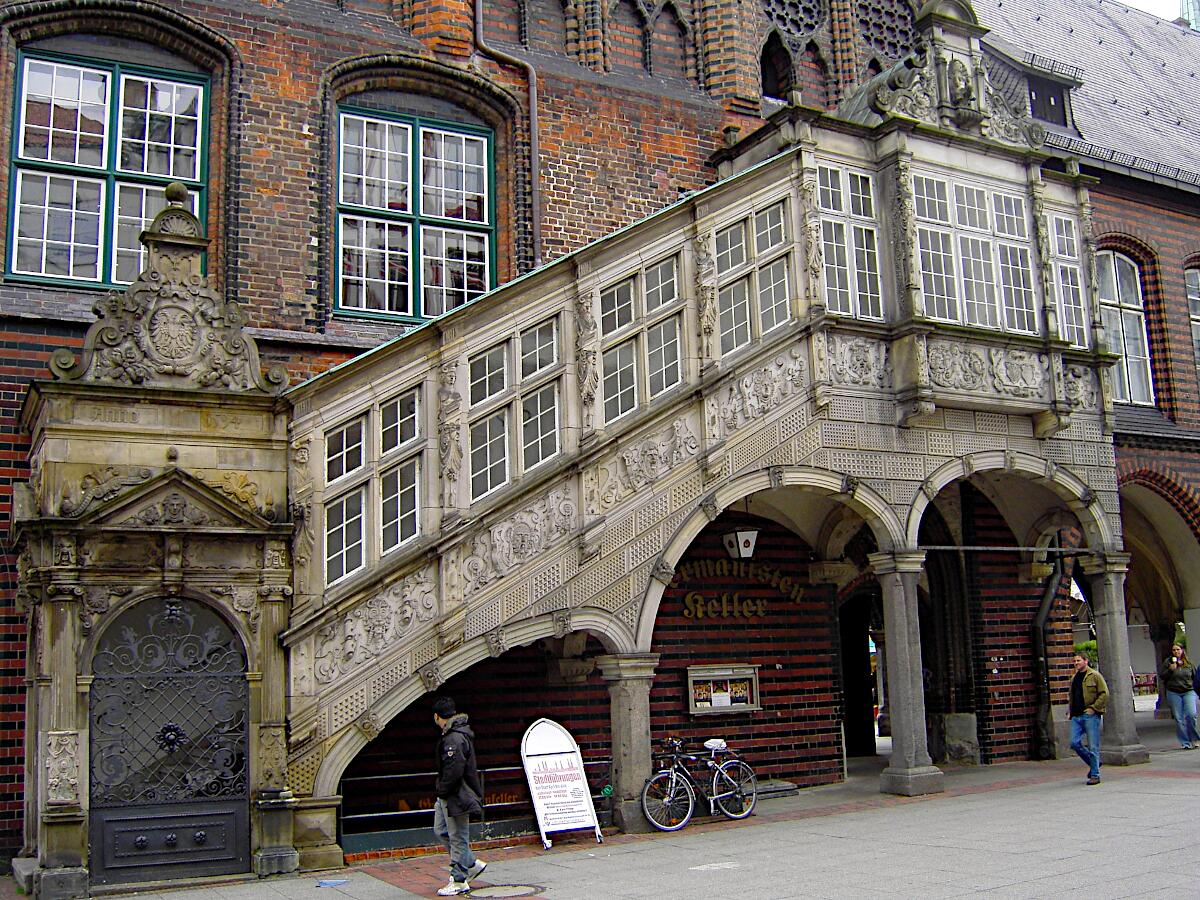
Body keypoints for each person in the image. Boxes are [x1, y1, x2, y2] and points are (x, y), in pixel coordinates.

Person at [432, 696, 486, 896]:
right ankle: (470, 862)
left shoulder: (454, 738)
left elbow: (454, 769)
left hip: (457, 795)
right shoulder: (454, 735)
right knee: (441, 830)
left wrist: (443, 790)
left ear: (437, 717)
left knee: (457, 837)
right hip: (450, 794)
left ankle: (458, 879)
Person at [1068, 652, 1108, 785]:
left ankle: (1095, 774)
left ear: (1086, 661)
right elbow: (1073, 696)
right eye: (1074, 661)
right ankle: (1094, 763)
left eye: (1078, 660)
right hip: (1076, 715)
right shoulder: (1074, 678)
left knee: (1093, 745)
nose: (1076, 663)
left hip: (1090, 715)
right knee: (1074, 742)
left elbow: (1104, 694)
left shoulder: (1094, 676)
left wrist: (1094, 708)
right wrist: (1070, 711)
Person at [1159, 643, 1199, 750]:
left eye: (1178, 649)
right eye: (1174, 650)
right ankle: (1185, 742)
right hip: (1174, 692)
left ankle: (1194, 738)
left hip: (1188, 691)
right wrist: (1170, 670)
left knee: (1191, 714)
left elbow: (1195, 677)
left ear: (1182, 650)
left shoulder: (1189, 664)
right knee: (1178, 718)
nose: (1176, 652)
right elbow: (1162, 676)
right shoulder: (1168, 662)